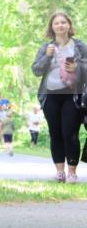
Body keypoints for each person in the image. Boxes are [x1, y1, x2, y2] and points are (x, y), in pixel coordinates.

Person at [31, 11, 87, 183]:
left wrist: (77, 68)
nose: (60, 25)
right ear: (52, 27)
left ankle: (72, 172)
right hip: (50, 96)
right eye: (56, 23)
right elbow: (36, 70)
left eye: (63, 22)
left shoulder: (79, 46)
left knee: (70, 133)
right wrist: (47, 56)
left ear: (69, 25)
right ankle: (59, 172)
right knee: (55, 133)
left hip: (72, 95)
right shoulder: (46, 47)